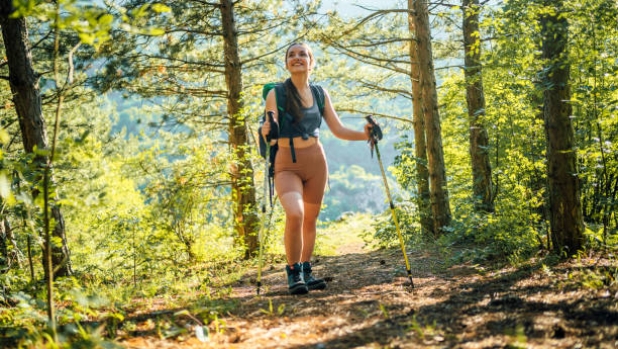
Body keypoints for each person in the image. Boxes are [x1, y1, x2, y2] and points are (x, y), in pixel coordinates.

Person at [261, 42, 376, 295]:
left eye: (303, 54)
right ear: (286, 63)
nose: (297, 57)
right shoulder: (276, 94)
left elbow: (338, 129)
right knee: (295, 214)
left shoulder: (320, 93)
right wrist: (266, 130)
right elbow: (269, 125)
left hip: (315, 161)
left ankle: (306, 270)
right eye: (291, 54)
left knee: (310, 220)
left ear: (311, 62)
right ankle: (293, 273)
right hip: (286, 163)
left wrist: (365, 135)